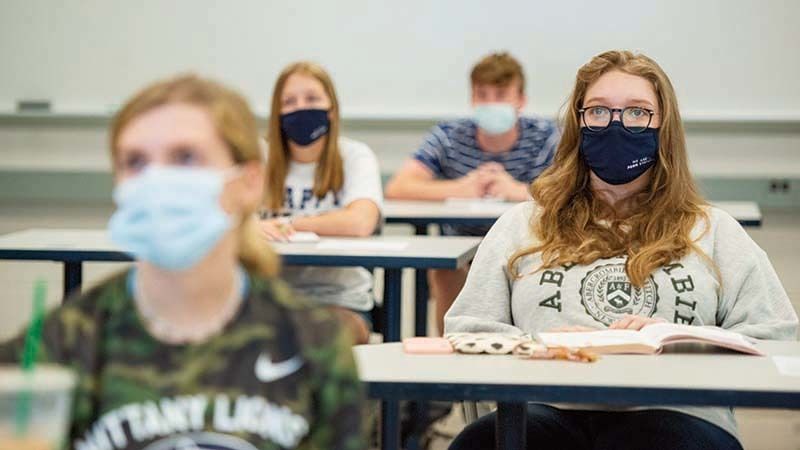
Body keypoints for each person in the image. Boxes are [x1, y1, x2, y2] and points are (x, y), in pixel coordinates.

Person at [445, 50, 798, 450]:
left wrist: (681, 338)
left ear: (664, 125)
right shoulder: (523, 224)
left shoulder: (713, 230)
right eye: (598, 111)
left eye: (637, 112)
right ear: (579, 123)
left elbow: (776, 338)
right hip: (545, 408)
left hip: (676, 413)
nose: (616, 124)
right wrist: (536, 347)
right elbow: (468, 332)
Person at [0, 74, 366, 450]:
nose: (158, 180)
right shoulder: (61, 346)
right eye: (136, 162)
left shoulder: (313, 344)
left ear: (250, 182)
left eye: (185, 157)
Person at [384, 52, 559, 335]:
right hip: (461, 250)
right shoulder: (449, 135)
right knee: (444, 268)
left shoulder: (546, 136)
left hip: (526, 247)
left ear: (521, 100)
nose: (490, 103)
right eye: (482, 94)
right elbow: (398, 187)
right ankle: (452, 347)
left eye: (501, 94)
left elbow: (571, 189)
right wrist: (460, 189)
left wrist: (518, 190)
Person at [259, 61, 383, 345]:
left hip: (339, 299)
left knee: (314, 334)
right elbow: (219, 216)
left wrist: (286, 224)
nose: (301, 108)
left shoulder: (354, 155)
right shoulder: (259, 157)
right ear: (277, 113)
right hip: (268, 296)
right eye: (289, 101)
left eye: (312, 99)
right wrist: (246, 226)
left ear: (332, 109)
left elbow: (361, 221)